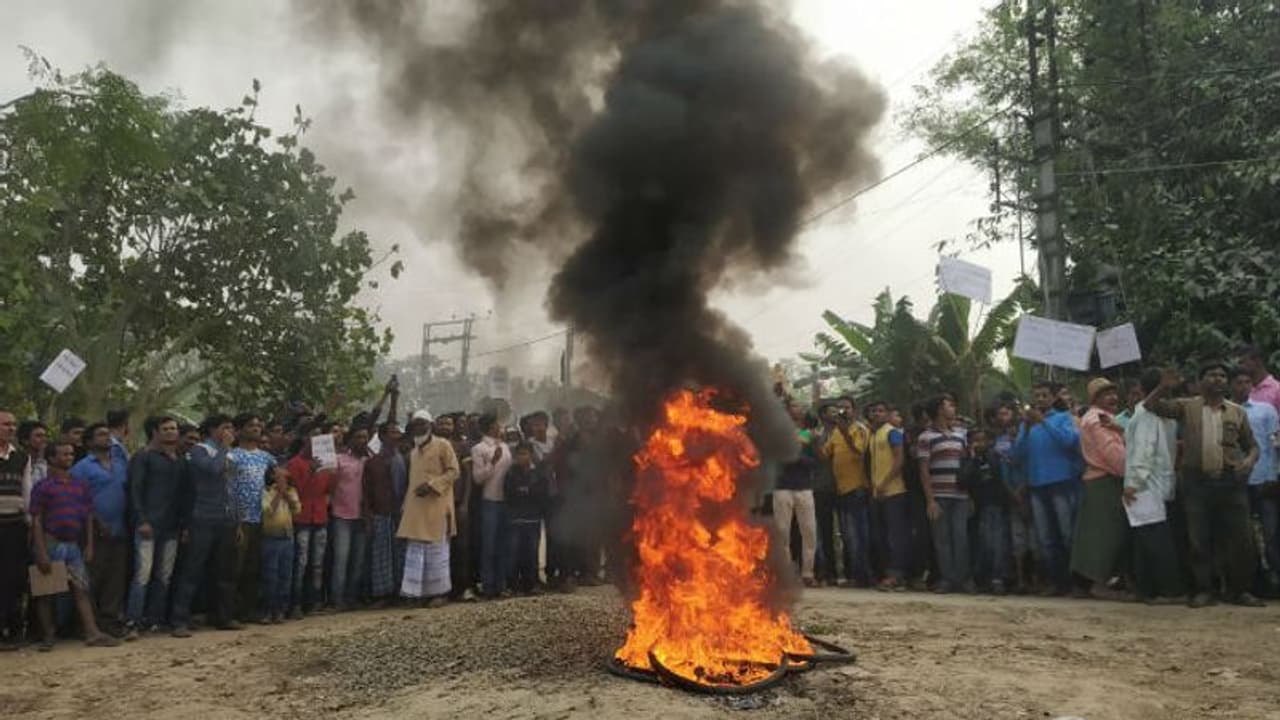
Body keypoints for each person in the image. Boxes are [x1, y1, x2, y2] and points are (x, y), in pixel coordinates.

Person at [1145, 363, 1263, 608]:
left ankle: (1239, 591)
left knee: (1240, 539)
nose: (1218, 379)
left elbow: (1253, 446)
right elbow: (1151, 406)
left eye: (1222, 376)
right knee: (1199, 539)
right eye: (1212, 375)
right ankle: (1204, 590)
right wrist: (1162, 388)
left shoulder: (1237, 412)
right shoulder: (1187, 406)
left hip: (1231, 482)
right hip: (1196, 483)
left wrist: (1248, 462)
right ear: (1200, 381)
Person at [29, 442, 120, 650]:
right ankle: (48, 635)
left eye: (71, 454)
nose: (69, 457)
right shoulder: (43, 487)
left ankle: (92, 632)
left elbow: (88, 517)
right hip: (51, 541)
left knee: (81, 589)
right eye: (64, 454)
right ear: (52, 458)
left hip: (73, 544)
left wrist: (89, 545)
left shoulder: (80, 485)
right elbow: (37, 520)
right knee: (46, 591)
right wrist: (41, 550)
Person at [170, 415, 241, 637]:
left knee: (224, 571)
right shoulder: (199, 450)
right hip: (202, 516)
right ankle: (179, 620)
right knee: (192, 569)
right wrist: (224, 448)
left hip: (225, 517)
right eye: (225, 427)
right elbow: (212, 470)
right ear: (212, 430)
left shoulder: (229, 453)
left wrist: (237, 519)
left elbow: (231, 484)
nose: (230, 431)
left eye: (231, 427)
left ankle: (223, 616)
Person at [1123, 368, 1186, 603]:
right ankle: (1163, 590)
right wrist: (1134, 483)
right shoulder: (1149, 414)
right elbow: (1144, 450)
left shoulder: (1152, 412)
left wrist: (1133, 481)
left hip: (1150, 483)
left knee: (1149, 538)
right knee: (1154, 540)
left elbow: (1145, 449)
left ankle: (1149, 590)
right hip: (1147, 484)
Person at [1015, 381, 1082, 596]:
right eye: (1037, 395)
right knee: (1046, 538)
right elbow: (1017, 455)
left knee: (1066, 533)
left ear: (1054, 398)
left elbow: (1070, 442)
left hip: (1061, 483)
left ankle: (1076, 583)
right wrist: (1025, 429)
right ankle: (1056, 582)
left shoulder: (1063, 418)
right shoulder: (1027, 425)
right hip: (1037, 486)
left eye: (1045, 395)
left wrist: (1044, 422)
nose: (1040, 399)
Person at [125, 416, 188, 634]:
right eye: (166, 428)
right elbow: (135, 490)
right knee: (142, 574)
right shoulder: (143, 457)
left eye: (174, 428)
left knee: (164, 575)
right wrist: (141, 519)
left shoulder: (180, 459)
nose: (172, 432)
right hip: (148, 525)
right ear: (155, 431)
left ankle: (155, 619)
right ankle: (132, 620)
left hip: (172, 527)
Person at [1071, 378, 1131, 597]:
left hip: (1101, 480)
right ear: (1096, 399)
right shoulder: (1097, 419)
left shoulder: (1102, 418)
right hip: (1105, 480)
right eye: (1107, 394)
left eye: (1114, 392)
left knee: (1097, 533)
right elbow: (1112, 453)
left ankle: (1092, 583)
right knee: (1105, 534)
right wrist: (1130, 470)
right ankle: (1098, 584)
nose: (1113, 397)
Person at [70, 422, 130, 637]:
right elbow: (78, 500)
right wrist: (95, 521)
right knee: (92, 577)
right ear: (88, 442)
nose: (107, 438)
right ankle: (87, 625)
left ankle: (110, 622)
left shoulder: (121, 463)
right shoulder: (82, 467)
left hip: (120, 528)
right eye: (101, 435)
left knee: (115, 578)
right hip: (93, 532)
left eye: (108, 434)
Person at [397, 410, 461, 606]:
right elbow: (411, 482)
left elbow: (454, 471)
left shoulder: (443, 445)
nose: (419, 428)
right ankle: (415, 594)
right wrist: (405, 506)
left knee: (437, 551)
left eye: (422, 424)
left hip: (437, 507)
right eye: (415, 425)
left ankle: (439, 594)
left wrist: (432, 485)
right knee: (416, 553)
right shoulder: (413, 452)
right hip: (415, 509)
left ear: (430, 425)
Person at [1231, 368, 1280, 593]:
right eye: (1239, 382)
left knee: (1271, 533)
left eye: (1247, 381)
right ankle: (1252, 582)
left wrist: (1274, 474)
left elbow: (1275, 445)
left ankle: (1276, 578)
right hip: (1237, 482)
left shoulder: (1266, 410)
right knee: (1243, 535)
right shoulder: (1226, 411)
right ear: (1231, 386)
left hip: (1264, 479)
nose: (1244, 386)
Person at [917, 394, 972, 593]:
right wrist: (930, 500)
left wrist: (970, 493)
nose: (953, 407)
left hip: (960, 494)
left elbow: (967, 463)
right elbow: (923, 470)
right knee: (942, 540)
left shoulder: (961, 434)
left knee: (961, 537)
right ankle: (948, 579)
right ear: (939, 409)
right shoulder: (926, 437)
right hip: (939, 494)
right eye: (949, 405)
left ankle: (963, 578)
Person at [228, 413, 275, 622]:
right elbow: (227, 486)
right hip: (238, 519)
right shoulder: (232, 455)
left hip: (260, 518)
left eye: (258, 425)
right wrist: (234, 518)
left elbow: (281, 475)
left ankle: (247, 611)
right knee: (234, 568)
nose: (256, 428)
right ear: (239, 430)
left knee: (253, 567)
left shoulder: (266, 457)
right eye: (250, 425)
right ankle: (229, 613)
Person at [821, 398, 871, 587]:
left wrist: (844, 432)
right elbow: (825, 454)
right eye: (839, 408)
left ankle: (863, 577)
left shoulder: (859, 429)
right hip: (840, 489)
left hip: (856, 488)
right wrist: (806, 435)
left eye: (846, 408)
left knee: (859, 534)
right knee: (848, 535)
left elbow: (859, 452)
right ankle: (853, 575)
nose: (843, 411)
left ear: (854, 410)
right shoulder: (834, 431)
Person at [773, 398, 819, 587]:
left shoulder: (809, 434)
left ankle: (808, 573)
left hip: (804, 487)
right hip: (782, 487)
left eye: (799, 405)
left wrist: (797, 456)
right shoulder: (777, 432)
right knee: (782, 531)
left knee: (809, 531)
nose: (798, 408)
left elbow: (815, 461)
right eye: (794, 405)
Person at [286, 435, 333, 617]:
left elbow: (329, 490)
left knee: (317, 563)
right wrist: (310, 472)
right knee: (301, 563)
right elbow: (297, 490)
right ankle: (296, 603)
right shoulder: (295, 463)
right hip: (302, 518)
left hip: (320, 517)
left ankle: (314, 602)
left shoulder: (325, 465)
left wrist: (333, 473)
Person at [867, 401, 909, 591]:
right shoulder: (873, 435)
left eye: (881, 411)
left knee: (895, 535)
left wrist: (885, 482)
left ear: (887, 413)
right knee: (880, 536)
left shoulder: (892, 432)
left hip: (893, 491)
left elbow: (900, 459)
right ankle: (886, 574)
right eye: (874, 411)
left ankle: (897, 575)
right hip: (877, 493)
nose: (877, 414)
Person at [961, 428, 1010, 594]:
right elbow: (963, 480)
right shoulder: (968, 459)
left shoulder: (995, 456)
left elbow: (999, 474)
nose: (979, 443)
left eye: (982, 440)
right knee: (981, 543)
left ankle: (997, 578)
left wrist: (987, 455)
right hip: (977, 506)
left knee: (995, 542)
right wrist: (974, 459)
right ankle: (981, 577)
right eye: (975, 440)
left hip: (995, 503)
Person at [992, 402, 1034, 593]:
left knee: (1035, 539)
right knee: (1018, 540)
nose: (1013, 431)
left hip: (1031, 494)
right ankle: (1020, 580)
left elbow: (1032, 468)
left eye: (1016, 428)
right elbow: (1003, 475)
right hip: (1013, 496)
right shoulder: (1001, 445)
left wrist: (1023, 490)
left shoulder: (1029, 442)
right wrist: (1015, 494)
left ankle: (1036, 579)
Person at [363, 420, 406, 606]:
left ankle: (401, 592)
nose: (396, 436)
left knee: (400, 555)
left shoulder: (403, 459)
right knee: (381, 557)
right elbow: (367, 491)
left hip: (400, 515)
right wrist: (369, 515)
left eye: (398, 432)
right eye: (392, 433)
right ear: (382, 437)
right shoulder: (373, 463)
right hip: (380, 514)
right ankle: (383, 595)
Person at [330, 425, 372, 611]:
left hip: (362, 517)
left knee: (358, 560)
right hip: (342, 515)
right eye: (358, 437)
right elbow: (330, 485)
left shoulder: (368, 461)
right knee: (341, 559)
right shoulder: (339, 460)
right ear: (351, 440)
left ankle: (352, 597)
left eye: (365, 437)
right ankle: (337, 599)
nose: (362, 441)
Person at [472, 413, 513, 598]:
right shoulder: (479, 449)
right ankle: (488, 586)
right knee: (488, 546)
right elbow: (478, 478)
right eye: (498, 424)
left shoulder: (505, 446)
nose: (501, 427)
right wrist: (493, 462)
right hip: (489, 501)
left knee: (503, 545)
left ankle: (501, 584)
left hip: (506, 502)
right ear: (490, 427)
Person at [0, 410, 28, 650]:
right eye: (6, 424)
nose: (10, 428)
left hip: (15, 525)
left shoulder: (21, 457)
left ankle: (14, 629)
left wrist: (28, 520)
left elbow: (26, 491)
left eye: (13, 424)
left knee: (14, 579)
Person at [504, 442, 548, 595]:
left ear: (531, 455)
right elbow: (510, 493)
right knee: (514, 553)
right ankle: (514, 585)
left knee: (531, 553)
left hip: (533, 518)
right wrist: (526, 491)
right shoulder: (511, 473)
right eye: (520, 454)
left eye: (525, 454)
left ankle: (532, 584)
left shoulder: (538, 473)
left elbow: (541, 493)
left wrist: (526, 490)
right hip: (515, 519)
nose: (522, 457)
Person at [260, 465, 300, 623]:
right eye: (280, 476)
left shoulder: (292, 491)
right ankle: (268, 610)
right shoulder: (266, 491)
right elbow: (269, 511)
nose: (284, 478)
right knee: (270, 575)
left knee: (285, 576)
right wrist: (279, 493)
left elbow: (296, 510)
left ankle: (281, 610)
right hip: (271, 537)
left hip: (287, 537)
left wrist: (286, 494)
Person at [811, 401, 840, 586]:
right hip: (822, 487)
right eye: (832, 411)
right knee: (824, 531)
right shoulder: (817, 434)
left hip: (845, 486)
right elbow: (820, 455)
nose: (836, 414)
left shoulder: (846, 431)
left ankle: (852, 571)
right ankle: (826, 571)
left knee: (848, 531)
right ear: (823, 416)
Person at [18, 420, 49, 517]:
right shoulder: (16, 463)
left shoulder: (46, 465)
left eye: (45, 436)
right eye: (39, 436)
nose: (44, 439)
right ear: (25, 440)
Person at [1239, 346, 1280, 416]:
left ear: (1257, 361)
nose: (1240, 366)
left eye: (1243, 362)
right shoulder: (1243, 388)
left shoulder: (1276, 389)